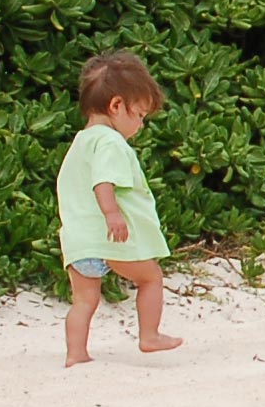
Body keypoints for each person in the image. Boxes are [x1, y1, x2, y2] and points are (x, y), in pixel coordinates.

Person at [56, 51, 183, 366]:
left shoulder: (80, 142)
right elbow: (103, 181)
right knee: (150, 278)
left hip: (79, 241)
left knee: (83, 301)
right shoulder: (110, 142)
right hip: (110, 238)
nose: (140, 124)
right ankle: (149, 335)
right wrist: (112, 214)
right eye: (139, 115)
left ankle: (76, 354)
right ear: (116, 105)